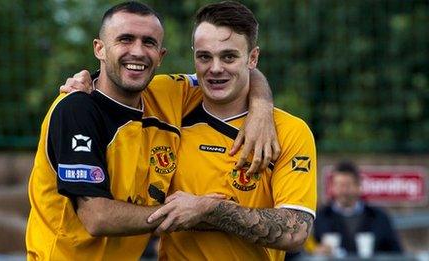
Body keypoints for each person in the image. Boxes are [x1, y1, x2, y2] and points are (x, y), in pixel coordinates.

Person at [27, 1, 277, 260]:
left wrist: (261, 108)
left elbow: (234, 72)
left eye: (149, 42)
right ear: (99, 49)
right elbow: (96, 217)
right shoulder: (78, 109)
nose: (137, 51)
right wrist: (195, 213)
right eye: (125, 39)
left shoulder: (168, 94)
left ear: (161, 55)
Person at [145, 2, 317, 260]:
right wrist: (85, 83)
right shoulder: (170, 108)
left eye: (229, 56)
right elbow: (120, 81)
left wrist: (210, 209)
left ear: (253, 58)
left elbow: (295, 232)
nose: (215, 68)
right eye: (204, 56)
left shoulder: (289, 130)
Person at [313, 161, 403, 256]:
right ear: (332, 187)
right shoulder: (320, 217)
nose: (343, 191)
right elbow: (307, 248)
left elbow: (397, 254)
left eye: (347, 185)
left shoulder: (378, 217)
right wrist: (316, 252)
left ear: (358, 186)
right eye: (339, 185)